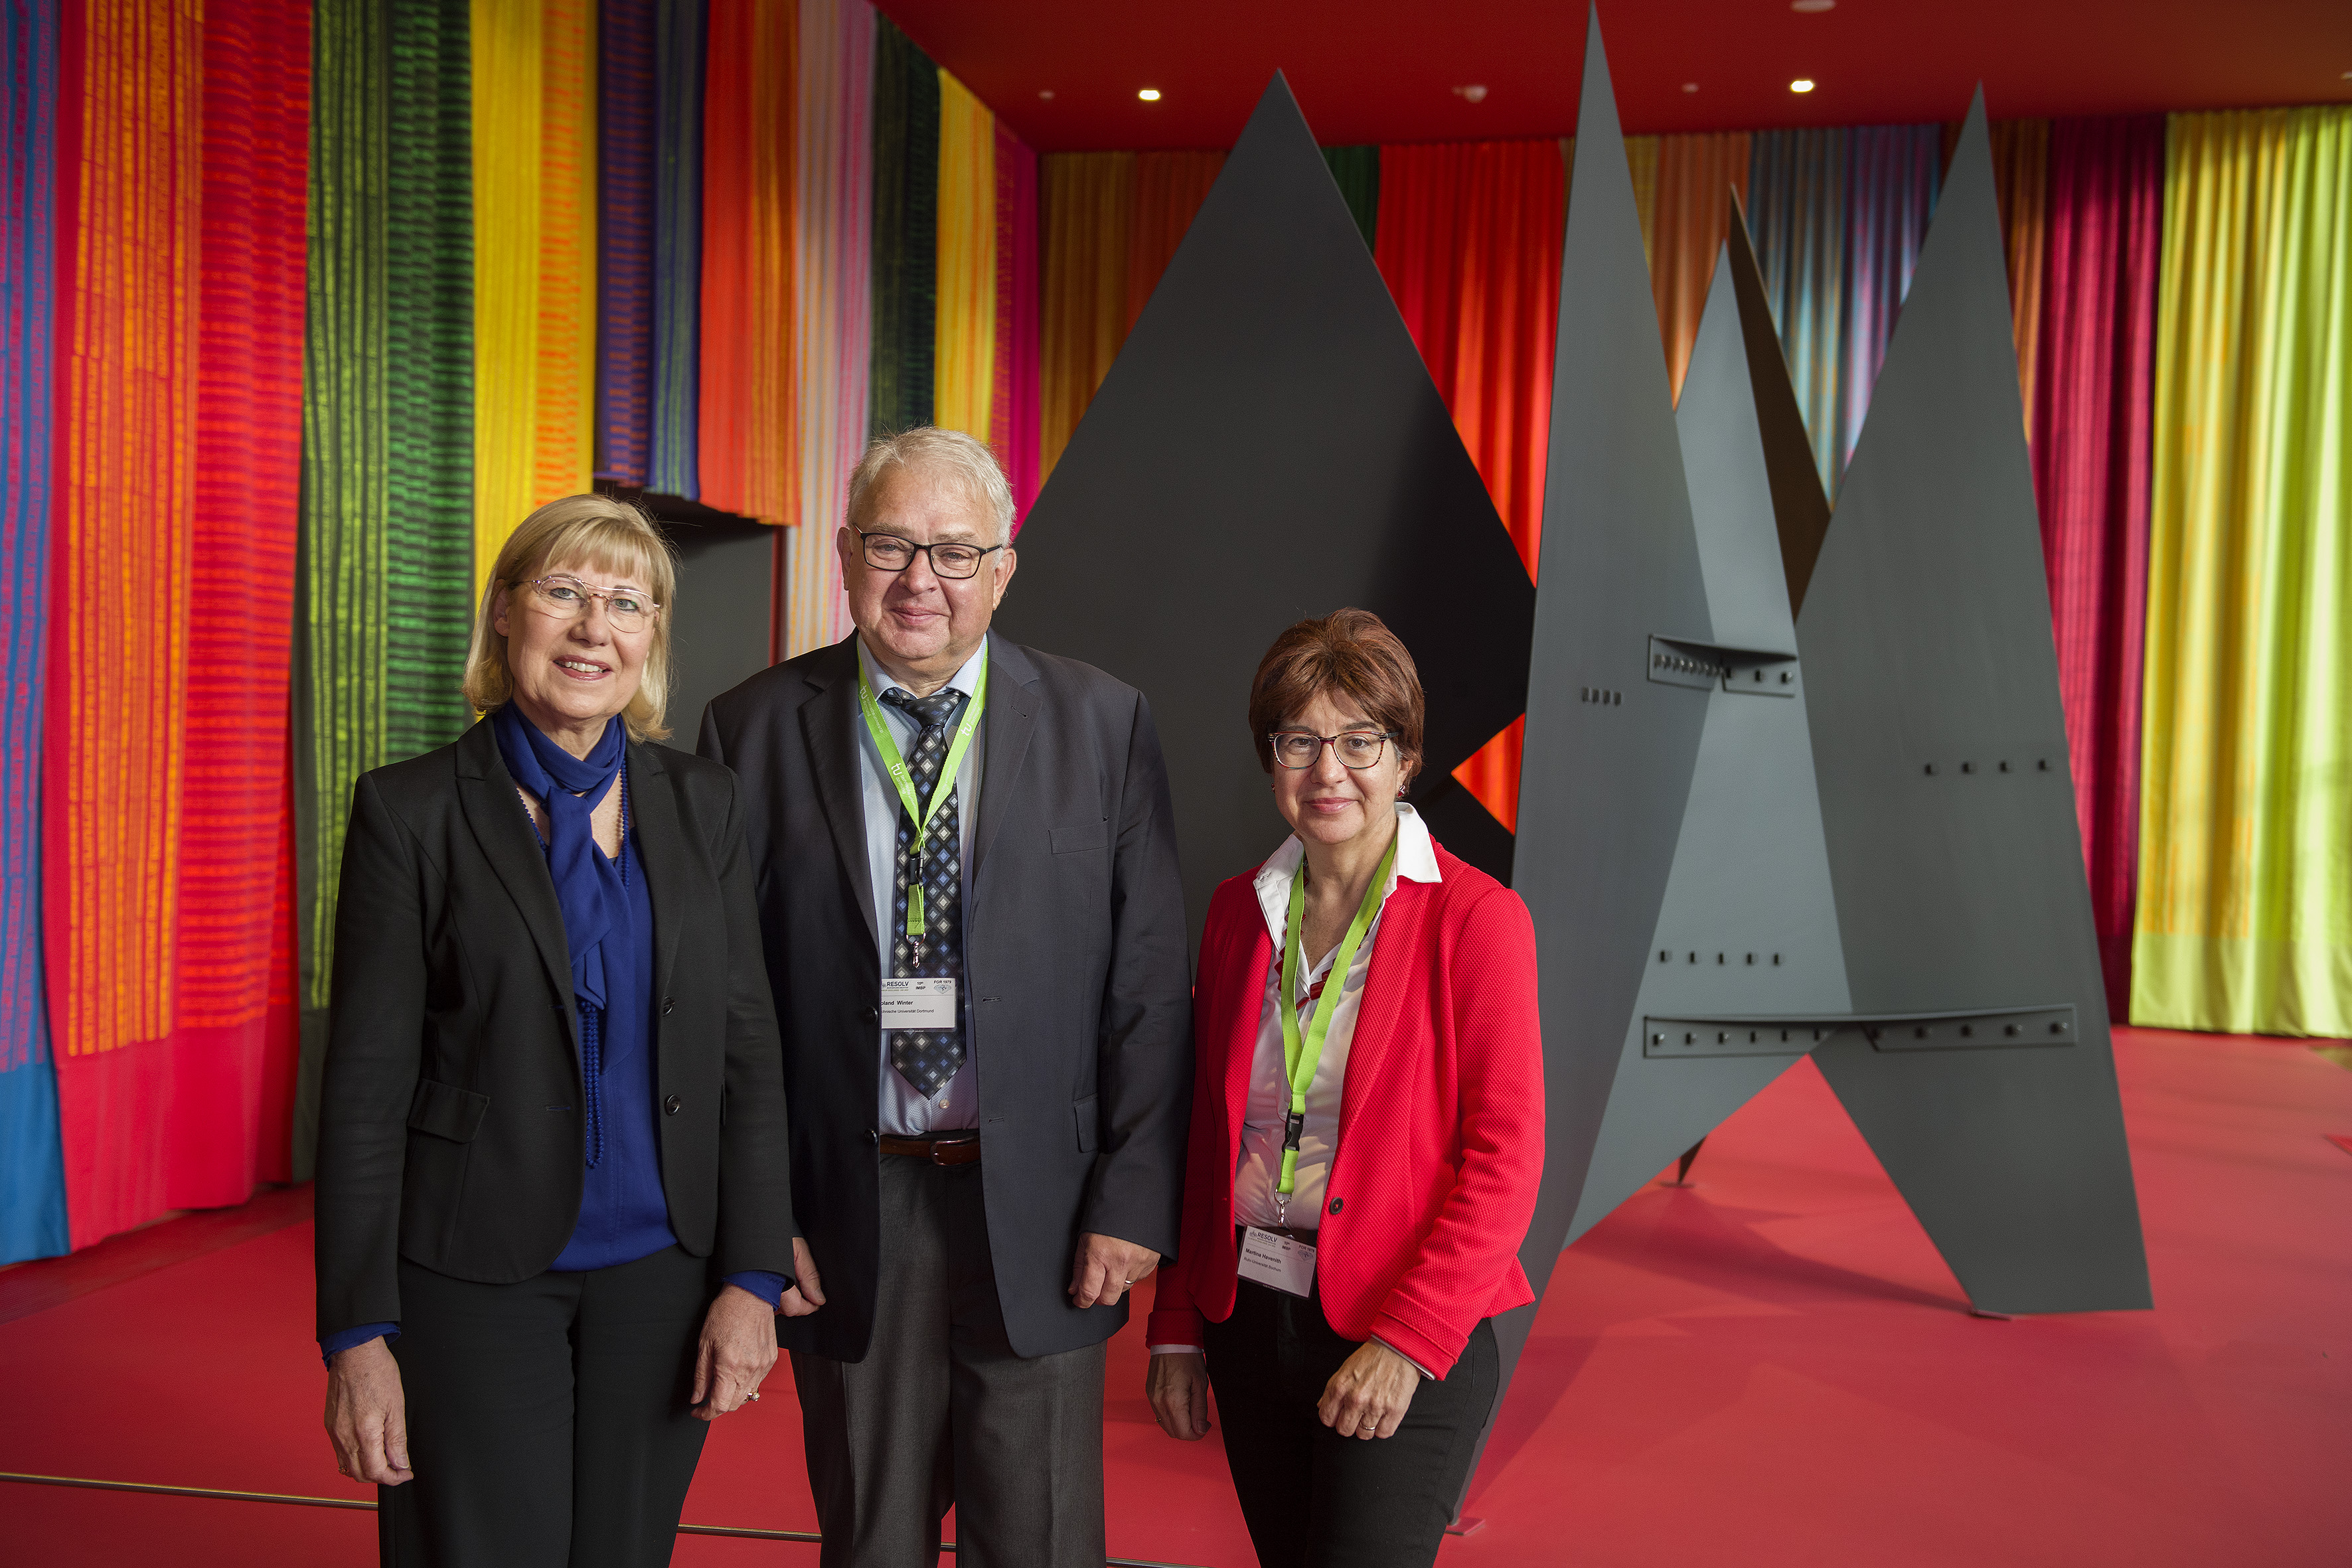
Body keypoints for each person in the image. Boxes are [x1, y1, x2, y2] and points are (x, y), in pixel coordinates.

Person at [698, 427, 1192, 1568]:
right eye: (890, 543)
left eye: (954, 550)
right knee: (871, 1535)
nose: (920, 577)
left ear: (1003, 569)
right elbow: (727, 1002)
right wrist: (756, 1209)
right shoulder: (751, 728)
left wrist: (1131, 1192)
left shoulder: (1102, 722)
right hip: (845, 1202)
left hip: (1050, 1206)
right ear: (843, 553)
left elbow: (1151, 981)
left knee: (1042, 1540)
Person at [314, 495, 810, 1567]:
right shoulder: (412, 813)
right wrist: (356, 1332)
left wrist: (753, 1273)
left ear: (652, 638)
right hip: (476, 1272)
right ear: (504, 614)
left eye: (628, 602)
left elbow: (747, 1053)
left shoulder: (702, 802)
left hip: (665, 1273)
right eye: (564, 592)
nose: (596, 627)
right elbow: (364, 1088)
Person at [1143, 608, 1545, 1568]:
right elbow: (1206, 1131)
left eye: (1360, 740)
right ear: (1270, 757)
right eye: (1301, 740)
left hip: (1400, 1325)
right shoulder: (1239, 913)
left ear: (1406, 758)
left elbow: (1506, 1158)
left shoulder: (1478, 919)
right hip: (1251, 1319)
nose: (1330, 770)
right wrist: (1175, 1321)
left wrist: (1406, 1342)